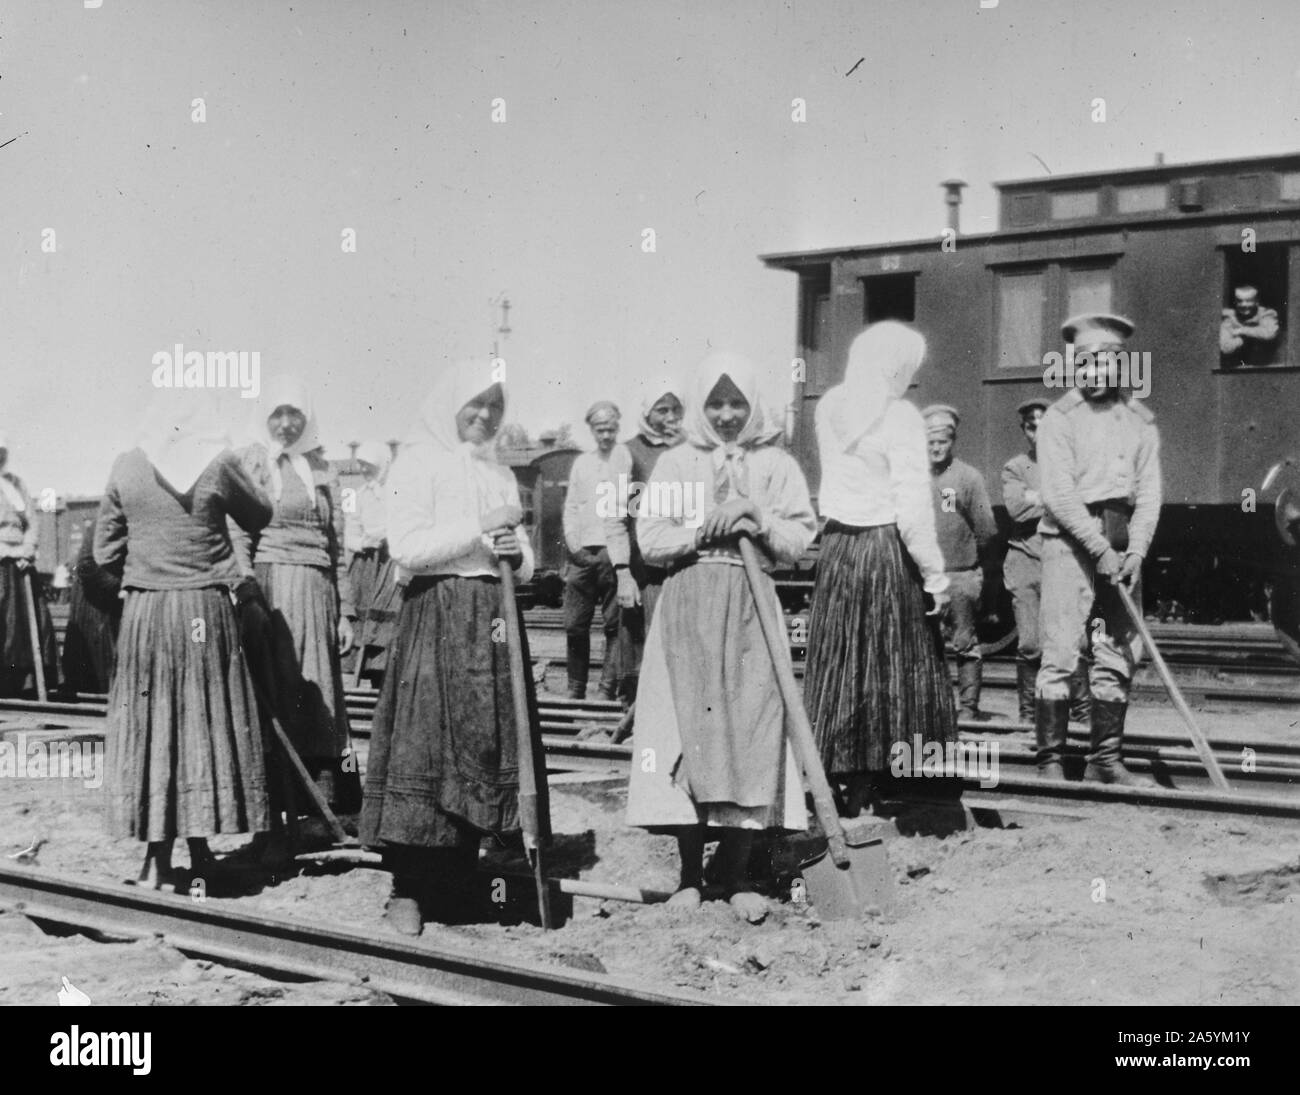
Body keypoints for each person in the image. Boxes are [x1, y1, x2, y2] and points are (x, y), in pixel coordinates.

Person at [628, 351, 816, 924]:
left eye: (737, 402)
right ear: (701, 408)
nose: (728, 413)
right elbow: (651, 540)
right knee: (690, 730)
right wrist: (702, 528)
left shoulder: (777, 464)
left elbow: (800, 538)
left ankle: (733, 875)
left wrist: (755, 516)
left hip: (751, 606)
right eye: (716, 402)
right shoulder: (677, 463)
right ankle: (689, 875)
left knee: (749, 731)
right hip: (688, 602)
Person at [360, 359, 536, 935]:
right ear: (450, 405)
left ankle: (460, 880)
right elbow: (407, 548)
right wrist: (482, 533)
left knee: (482, 745)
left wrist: (513, 550)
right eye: (474, 405)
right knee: (425, 748)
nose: (484, 416)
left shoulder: (500, 474)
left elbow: (527, 565)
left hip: (491, 616)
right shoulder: (418, 461)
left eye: (495, 407)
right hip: (436, 613)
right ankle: (407, 889)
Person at [95, 390, 272, 888]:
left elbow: (104, 553)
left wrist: (146, 565)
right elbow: (260, 514)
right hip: (201, 611)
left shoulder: (128, 464)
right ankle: (198, 851)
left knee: (154, 730)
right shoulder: (217, 462)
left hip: (147, 612)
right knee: (200, 725)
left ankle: (156, 859)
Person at [805, 324, 956, 815]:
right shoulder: (901, 416)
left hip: (838, 548)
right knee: (890, 663)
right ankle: (877, 781)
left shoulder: (830, 406)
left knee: (839, 662)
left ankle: (832, 775)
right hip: (885, 548)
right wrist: (935, 576)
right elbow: (912, 507)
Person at [1036, 314, 1161, 786]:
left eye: (1106, 360)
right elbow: (1058, 495)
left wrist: (1136, 552)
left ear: (1120, 364)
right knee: (1063, 649)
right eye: (1086, 361)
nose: (1096, 370)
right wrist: (1097, 547)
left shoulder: (1140, 421)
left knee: (1116, 650)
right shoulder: (1058, 420)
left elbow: (1149, 493)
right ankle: (1050, 761)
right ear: (1074, 365)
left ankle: (1105, 760)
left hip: (1123, 539)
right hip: (1070, 541)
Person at [230, 377, 358, 816]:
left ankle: (324, 797)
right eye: (277, 415)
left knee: (321, 692)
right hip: (273, 590)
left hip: (318, 592)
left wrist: (346, 612)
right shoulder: (251, 461)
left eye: (295, 415)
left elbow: (337, 543)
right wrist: (246, 589)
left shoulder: (322, 467)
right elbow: (237, 532)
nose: (286, 424)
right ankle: (280, 798)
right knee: (283, 689)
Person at [1001, 398, 1092, 724]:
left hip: (1065, 560)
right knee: (1030, 644)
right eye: (1029, 426)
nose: (1036, 432)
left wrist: (1038, 497)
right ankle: (1029, 717)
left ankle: (1082, 717)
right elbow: (1016, 509)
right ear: (1024, 430)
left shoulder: (1075, 464)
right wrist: (1059, 498)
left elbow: (1085, 505)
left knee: (1073, 641)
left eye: (1043, 424)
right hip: (1026, 560)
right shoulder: (1016, 467)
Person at [607, 378, 685, 706]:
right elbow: (612, 518)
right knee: (642, 647)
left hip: (683, 564)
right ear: (647, 414)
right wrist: (623, 573)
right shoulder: (627, 453)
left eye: (675, 410)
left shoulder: (689, 450)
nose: (670, 417)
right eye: (661, 410)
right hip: (645, 571)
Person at [923, 404, 998, 721]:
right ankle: (933, 709)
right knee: (926, 646)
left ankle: (968, 708)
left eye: (943, 441)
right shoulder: (912, 477)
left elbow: (987, 530)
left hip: (959, 576)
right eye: (931, 442)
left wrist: (970, 569)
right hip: (923, 578)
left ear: (952, 441)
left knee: (964, 642)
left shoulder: (969, 477)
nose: (937, 447)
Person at [562, 401, 632, 699]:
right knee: (575, 625)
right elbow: (572, 506)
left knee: (614, 626)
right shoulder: (582, 463)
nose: (606, 436)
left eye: (611, 429)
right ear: (591, 430)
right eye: (600, 430)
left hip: (613, 555)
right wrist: (574, 546)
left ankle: (606, 688)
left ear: (618, 427)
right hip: (583, 555)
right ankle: (575, 688)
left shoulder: (626, 457)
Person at [0, 435, 58, 697]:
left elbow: (32, 522)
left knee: (33, 622)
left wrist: (27, 551)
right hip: (1, 562)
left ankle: (25, 687)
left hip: (21, 564)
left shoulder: (16, 484)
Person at [345, 440, 400, 688]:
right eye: (361, 465)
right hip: (366, 564)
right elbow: (348, 532)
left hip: (390, 563)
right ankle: (362, 674)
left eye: (369, 465)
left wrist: (385, 535)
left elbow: (402, 521)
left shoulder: (397, 491)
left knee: (387, 618)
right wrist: (365, 541)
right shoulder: (354, 495)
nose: (364, 470)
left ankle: (383, 676)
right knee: (363, 617)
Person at [61, 517, 122, 696]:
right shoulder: (105, 522)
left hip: (113, 598)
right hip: (94, 601)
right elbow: (86, 565)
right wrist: (123, 583)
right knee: (95, 673)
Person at [1219, 284, 1279, 367]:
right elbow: (1225, 347)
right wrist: (1242, 339)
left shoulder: (1267, 314)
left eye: (1249, 301)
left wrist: (1242, 331)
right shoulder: (1229, 317)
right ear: (1235, 302)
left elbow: (1269, 333)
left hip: (1264, 367)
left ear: (1257, 301)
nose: (1244, 305)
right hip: (1237, 368)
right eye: (1240, 301)